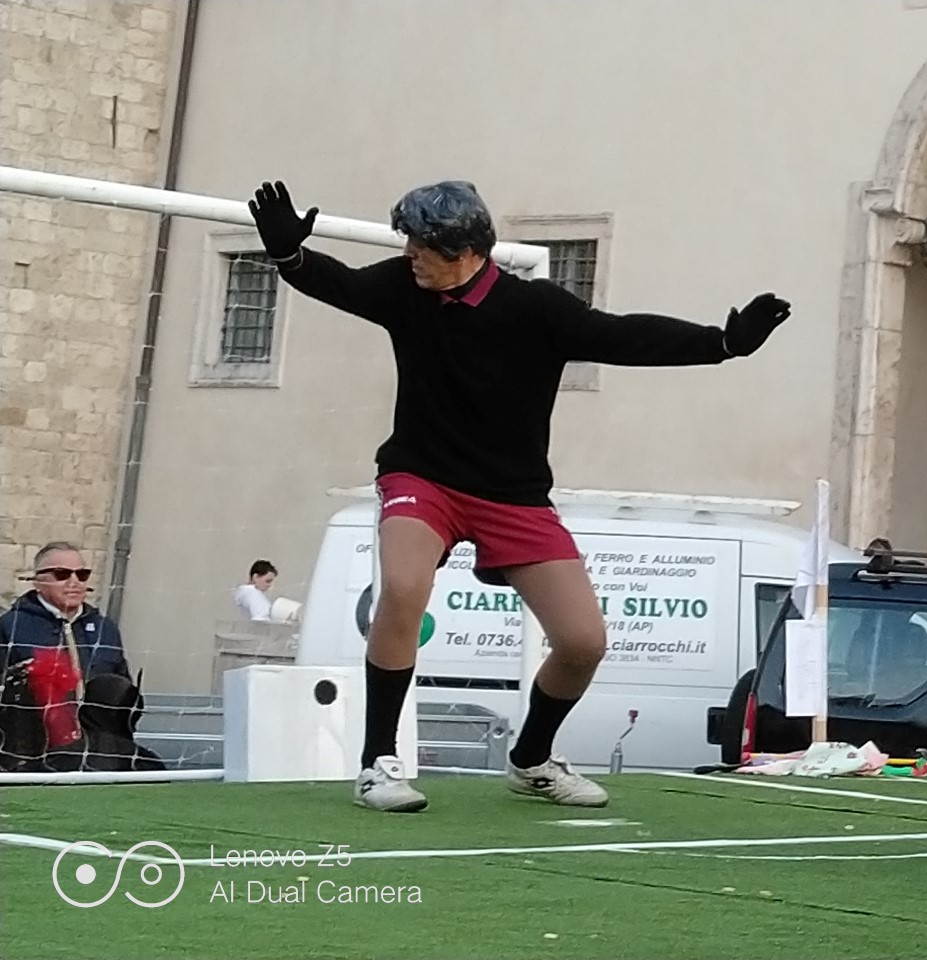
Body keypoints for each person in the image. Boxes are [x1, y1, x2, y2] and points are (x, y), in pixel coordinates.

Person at [247, 179, 792, 812]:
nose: (408, 254)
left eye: (420, 244)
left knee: (583, 642)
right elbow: (337, 283)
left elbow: (621, 336)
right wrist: (288, 255)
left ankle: (531, 760)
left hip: (514, 496)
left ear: (465, 251)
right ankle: (379, 764)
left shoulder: (535, 309)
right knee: (402, 587)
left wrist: (721, 345)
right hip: (421, 478)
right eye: (407, 242)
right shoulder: (403, 288)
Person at [0, 543, 140, 770]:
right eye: (62, 574)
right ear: (38, 581)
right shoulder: (10, 626)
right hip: (34, 755)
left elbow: (122, 686)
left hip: (101, 753)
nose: (74, 581)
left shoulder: (105, 628)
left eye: (82, 574)